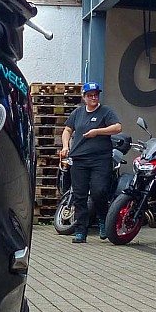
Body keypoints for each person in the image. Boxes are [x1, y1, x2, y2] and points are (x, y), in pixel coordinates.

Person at [60, 82, 122, 243]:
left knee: (98, 191)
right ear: (84, 97)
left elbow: (117, 128)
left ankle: (103, 219)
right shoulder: (78, 113)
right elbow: (67, 130)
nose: (93, 97)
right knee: (79, 195)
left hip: (100, 159)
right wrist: (65, 146)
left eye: (96, 95)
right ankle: (81, 231)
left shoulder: (106, 111)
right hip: (79, 159)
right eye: (90, 95)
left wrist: (97, 132)